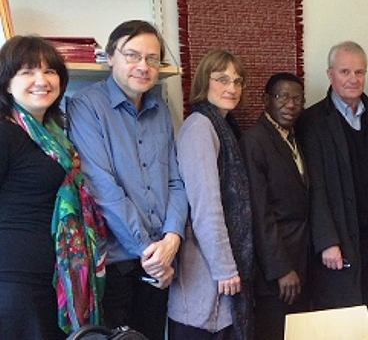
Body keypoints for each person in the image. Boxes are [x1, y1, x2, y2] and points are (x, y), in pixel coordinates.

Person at [67, 20, 188, 339]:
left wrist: (172, 238)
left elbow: (177, 180)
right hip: (118, 263)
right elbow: (103, 188)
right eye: (132, 55)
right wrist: (152, 253)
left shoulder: (160, 108)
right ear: (110, 57)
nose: (143, 66)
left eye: (152, 58)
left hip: (161, 259)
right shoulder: (85, 105)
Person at [0, 36, 106, 339]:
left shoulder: (56, 137)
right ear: (7, 83)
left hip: (57, 279)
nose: (41, 80)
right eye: (27, 72)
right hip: (15, 283)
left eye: (50, 71)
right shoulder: (4, 133)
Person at [297, 41, 368, 311]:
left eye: (359, 72)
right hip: (335, 241)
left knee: (364, 311)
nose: (353, 79)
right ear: (330, 75)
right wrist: (327, 242)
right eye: (345, 72)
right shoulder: (312, 122)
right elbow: (312, 188)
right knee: (336, 319)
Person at [168, 49, 253, 340]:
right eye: (222, 79)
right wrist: (225, 268)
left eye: (238, 81)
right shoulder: (200, 127)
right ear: (205, 82)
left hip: (217, 276)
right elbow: (206, 207)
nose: (232, 88)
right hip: (205, 279)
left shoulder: (226, 126)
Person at [240, 72, 310, 340]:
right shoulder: (254, 141)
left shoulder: (294, 136)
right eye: (282, 97)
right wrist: (281, 268)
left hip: (301, 260)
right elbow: (259, 212)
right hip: (276, 272)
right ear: (265, 100)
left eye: (297, 98)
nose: (290, 105)